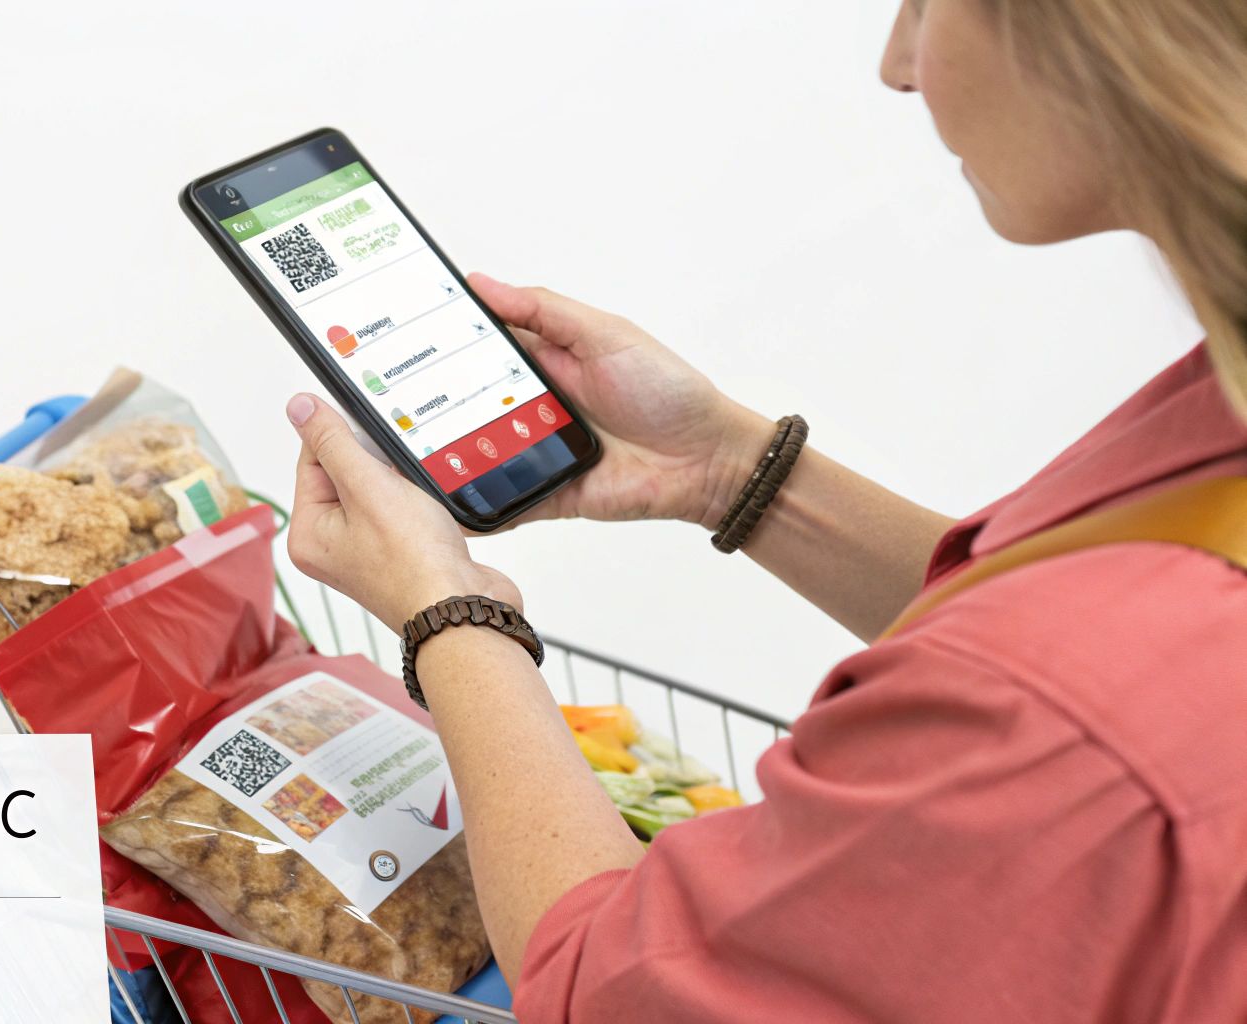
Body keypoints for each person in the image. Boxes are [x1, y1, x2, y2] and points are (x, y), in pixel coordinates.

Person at [280, 1, 1247, 1020]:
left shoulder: (1053, 718)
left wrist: (446, 611)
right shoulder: (1209, 411)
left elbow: (605, 988)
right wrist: (726, 469)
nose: (896, 65)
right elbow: (1070, 611)